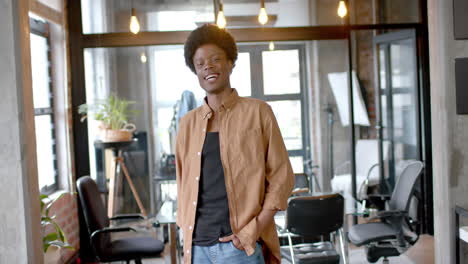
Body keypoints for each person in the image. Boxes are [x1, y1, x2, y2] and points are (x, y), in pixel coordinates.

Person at [175, 24, 294, 264]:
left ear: (230, 63)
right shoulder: (187, 124)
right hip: (197, 248)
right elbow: (183, 184)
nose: (207, 66)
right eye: (200, 64)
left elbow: (282, 177)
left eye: (215, 59)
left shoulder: (259, 112)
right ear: (195, 72)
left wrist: (254, 230)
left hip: (240, 247)